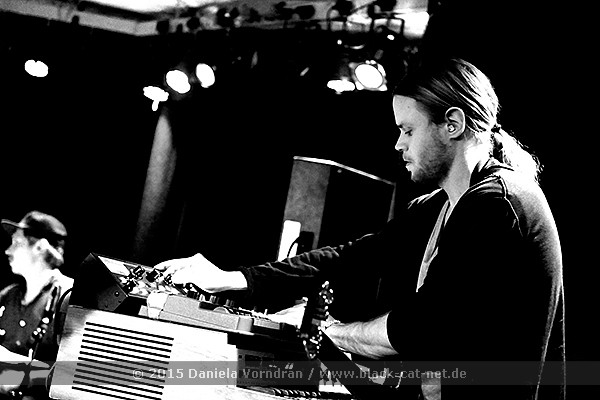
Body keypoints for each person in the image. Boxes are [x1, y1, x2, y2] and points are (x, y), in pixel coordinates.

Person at [152, 58, 565, 400]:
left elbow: (418, 329)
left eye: (408, 130)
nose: (399, 144)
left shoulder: (499, 206)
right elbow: (351, 257)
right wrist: (235, 279)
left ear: (452, 124)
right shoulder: (441, 205)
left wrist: (328, 333)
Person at [0, 211, 72, 400]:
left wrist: (17, 371)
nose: (8, 251)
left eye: (17, 243)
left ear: (40, 247)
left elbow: (82, 375)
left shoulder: (69, 299)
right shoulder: (8, 296)